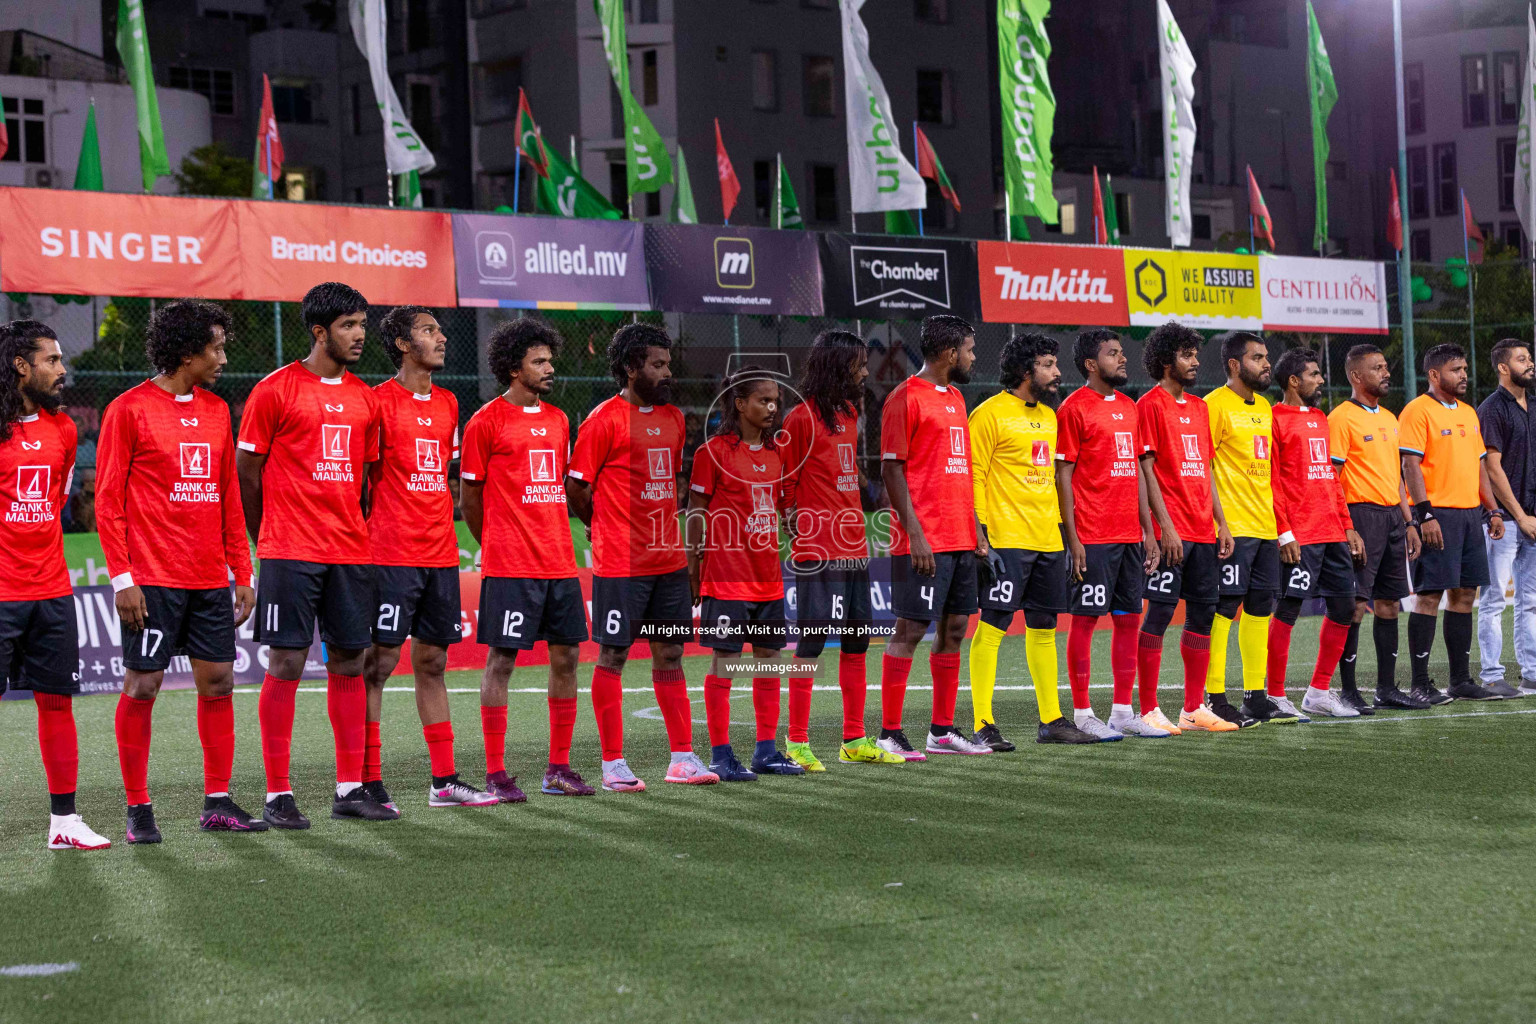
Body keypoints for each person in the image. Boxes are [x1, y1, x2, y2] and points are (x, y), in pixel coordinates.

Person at [97, 300, 262, 842]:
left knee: (218, 681)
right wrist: (123, 578)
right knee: (142, 685)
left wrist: (243, 570)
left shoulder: (217, 410)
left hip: (209, 577)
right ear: (186, 352)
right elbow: (108, 503)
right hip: (152, 581)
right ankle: (138, 808)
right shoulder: (128, 409)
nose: (221, 358)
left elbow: (227, 498)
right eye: (214, 348)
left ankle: (217, 801)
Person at [236, 281, 395, 827]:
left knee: (351, 661)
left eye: (362, 324)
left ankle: (349, 787)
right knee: (287, 661)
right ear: (319, 332)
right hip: (289, 550)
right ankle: (277, 795)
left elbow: (367, 482)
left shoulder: (366, 399)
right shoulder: (275, 390)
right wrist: (266, 538)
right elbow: (246, 473)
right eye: (349, 325)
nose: (359, 335)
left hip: (351, 551)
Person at [566, 323, 719, 787]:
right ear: (632, 368)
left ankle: (682, 759)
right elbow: (576, 486)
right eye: (658, 364)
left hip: (668, 561)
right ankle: (613, 763)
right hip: (622, 563)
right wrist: (598, 524)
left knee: (670, 653)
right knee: (612, 656)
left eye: (667, 363)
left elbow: (668, 485)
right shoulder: (602, 420)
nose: (667, 371)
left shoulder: (674, 419)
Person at [362, 306, 496, 809]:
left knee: (434, 660)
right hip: (389, 553)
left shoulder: (448, 403)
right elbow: (360, 483)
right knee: (378, 663)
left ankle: (444, 781)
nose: (442, 338)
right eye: (428, 331)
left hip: (439, 552)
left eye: (440, 330)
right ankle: (368, 779)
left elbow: (444, 476)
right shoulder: (375, 403)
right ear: (401, 343)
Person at [462, 317, 596, 799]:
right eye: (538, 361)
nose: (549, 367)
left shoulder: (560, 420)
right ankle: (496, 772)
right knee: (501, 662)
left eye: (549, 359)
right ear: (513, 368)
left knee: (567, 658)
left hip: (560, 563)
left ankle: (558, 768)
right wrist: (494, 543)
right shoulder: (485, 422)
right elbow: (470, 497)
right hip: (512, 565)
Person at [0, 320, 109, 850]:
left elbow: (58, 501)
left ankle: (64, 822)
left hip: (51, 591)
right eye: (51, 360)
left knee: (57, 703)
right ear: (20, 365)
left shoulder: (63, 430)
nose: (62, 370)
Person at [781, 331, 904, 766]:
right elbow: (785, 487)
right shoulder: (799, 419)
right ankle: (796, 742)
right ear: (837, 366)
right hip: (817, 550)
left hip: (854, 546)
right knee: (811, 644)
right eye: (859, 365)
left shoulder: (851, 413)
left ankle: (853, 741)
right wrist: (801, 532)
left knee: (856, 641)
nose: (866, 372)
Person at [967, 332, 1097, 745]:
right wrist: (981, 535)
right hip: (1005, 539)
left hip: (1047, 539)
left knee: (1044, 625)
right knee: (994, 624)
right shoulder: (988, 414)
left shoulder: (1049, 416)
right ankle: (983, 723)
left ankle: (1052, 721)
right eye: (1047, 365)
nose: (1058, 373)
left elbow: (1055, 481)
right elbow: (974, 476)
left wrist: (1066, 535)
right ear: (1026, 371)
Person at [878, 314, 994, 758]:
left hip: (962, 538)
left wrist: (975, 530)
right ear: (949, 354)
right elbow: (891, 468)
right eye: (968, 349)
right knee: (910, 630)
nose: (972, 356)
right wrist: (917, 536)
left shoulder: (957, 397)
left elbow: (957, 471)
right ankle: (889, 732)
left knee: (957, 628)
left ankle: (941, 731)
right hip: (924, 541)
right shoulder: (904, 397)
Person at [689, 368, 804, 780]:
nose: (773, 407)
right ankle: (721, 755)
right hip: (726, 576)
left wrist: (790, 519)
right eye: (763, 400)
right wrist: (693, 566)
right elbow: (696, 512)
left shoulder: (776, 454)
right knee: (726, 664)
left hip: (768, 577)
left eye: (776, 400)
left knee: (770, 661)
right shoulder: (712, 453)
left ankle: (766, 752)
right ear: (740, 404)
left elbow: (776, 508)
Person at [1057, 329, 1165, 740]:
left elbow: (1137, 471)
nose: (1123, 359)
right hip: (1093, 536)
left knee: (1127, 620)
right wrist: (1074, 538)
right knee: (1084, 622)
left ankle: (1122, 711)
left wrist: (1148, 530)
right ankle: (1083, 714)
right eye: (1113, 353)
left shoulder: (1130, 407)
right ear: (1090, 363)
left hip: (1129, 537)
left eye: (1122, 353)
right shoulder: (1072, 409)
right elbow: (1062, 477)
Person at [1134, 323, 1239, 734]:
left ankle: (1193, 709)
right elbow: (1146, 470)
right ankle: (1148, 710)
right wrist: (1164, 527)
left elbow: (1207, 469)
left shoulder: (1199, 407)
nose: (1195, 362)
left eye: (1195, 354)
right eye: (1187, 355)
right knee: (1159, 614)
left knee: (1202, 616)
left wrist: (1222, 522)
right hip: (1171, 533)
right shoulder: (1150, 404)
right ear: (1166, 361)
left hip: (1202, 531)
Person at [1400, 344, 1505, 703]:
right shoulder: (1417, 410)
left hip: (1469, 515)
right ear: (1434, 375)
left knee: (1463, 597)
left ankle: (1460, 681)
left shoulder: (1469, 413)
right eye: (1456, 369)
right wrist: (1424, 513)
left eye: (1464, 369)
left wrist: (1491, 510)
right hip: (1436, 515)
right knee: (1429, 598)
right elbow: (1409, 465)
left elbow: (1479, 467)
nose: (1464, 375)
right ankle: (1420, 683)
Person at [1265, 348, 1366, 719]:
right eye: (1314, 374)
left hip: (1333, 532)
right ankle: (1275, 695)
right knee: (1288, 609)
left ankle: (1319, 692)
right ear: (1294, 381)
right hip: (1300, 535)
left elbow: (1330, 479)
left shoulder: (1320, 418)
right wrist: (1284, 531)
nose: (1321, 380)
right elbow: (1272, 481)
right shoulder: (1273, 419)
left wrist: (1348, 525)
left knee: (1344, 607)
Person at [1327, 345, 1426, 710]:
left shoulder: (1390, 417)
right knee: (1355, 605)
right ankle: (1349, 689)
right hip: (1360, 515)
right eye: (1377, 368)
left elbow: (1397, 476)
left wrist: (1409, 519)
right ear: (1356, 376)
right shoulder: (1340, 418)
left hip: (1391, 518)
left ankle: (1386, 688)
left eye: (1385, 367)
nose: (1386, 373)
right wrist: (1346, 526)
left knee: (1388, 604)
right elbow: (1331, 479)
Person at [1204, 332, 1286, 726]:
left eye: (1267, 356)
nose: (1267, 363)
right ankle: (1214, 696)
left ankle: (1255, 695)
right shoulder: (1214, 405)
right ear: (1235, 365)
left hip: (1265, 526)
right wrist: (1220, 523)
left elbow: (1267, 470)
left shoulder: (1266, 406)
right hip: (1232, 529)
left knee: (1259, 610)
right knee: (1224, 608)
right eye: (1258, 357)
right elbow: (1201, 469)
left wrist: (1281, 528)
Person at [1475, 338, 1536, 697]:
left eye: (1530, 358)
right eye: (1522, 359)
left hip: (1532, 518)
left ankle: (1531, 673)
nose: (1530, 364)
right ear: (1502, 367)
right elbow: (1492, 469)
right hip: (1504, 521)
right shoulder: (1491, 408)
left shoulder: (1534, 405)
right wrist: (1519, 515)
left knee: (1530, 600)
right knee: (1495, 599)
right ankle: (1493, 675)